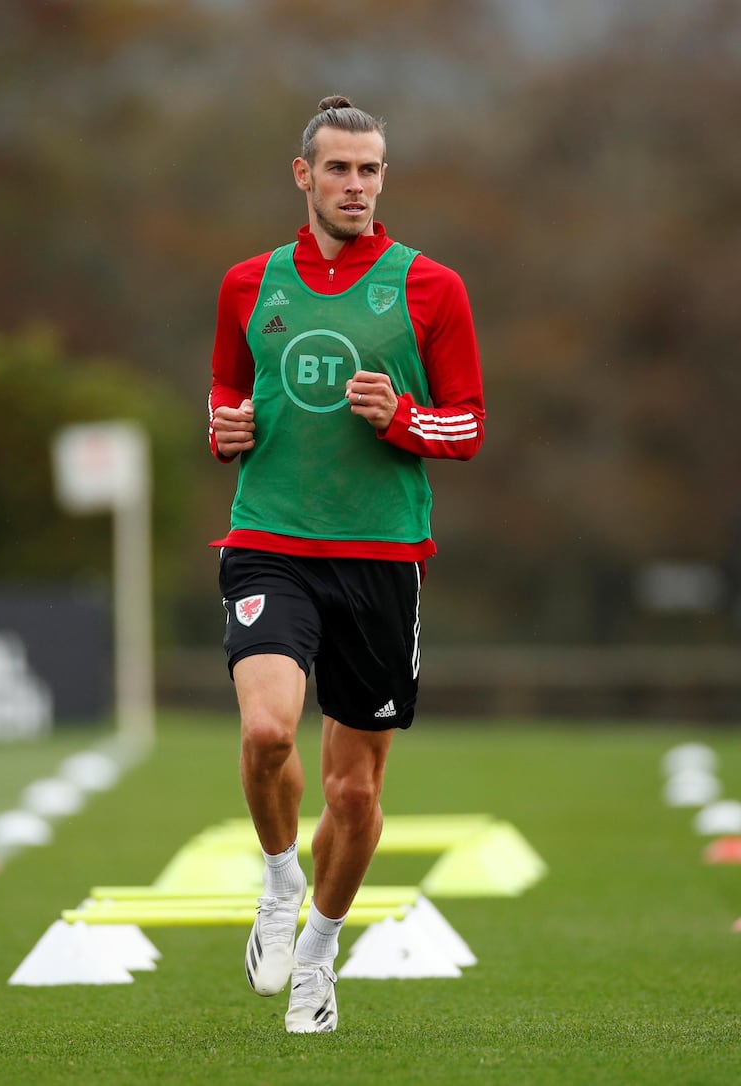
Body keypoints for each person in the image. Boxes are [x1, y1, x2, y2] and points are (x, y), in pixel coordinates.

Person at [208, 95, 485, 1033]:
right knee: (267, 737)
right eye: (339, 169)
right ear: (304, 176)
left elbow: (469, 422)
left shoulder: (430, 287)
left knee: (356, 791)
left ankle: (319, 954)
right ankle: (281, 883)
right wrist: (223, 423)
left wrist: (401, 417)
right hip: (269, 545)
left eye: (369, 170)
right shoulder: (250, 283)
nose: (356, 186)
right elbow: (226, 390)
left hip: (379, 561)